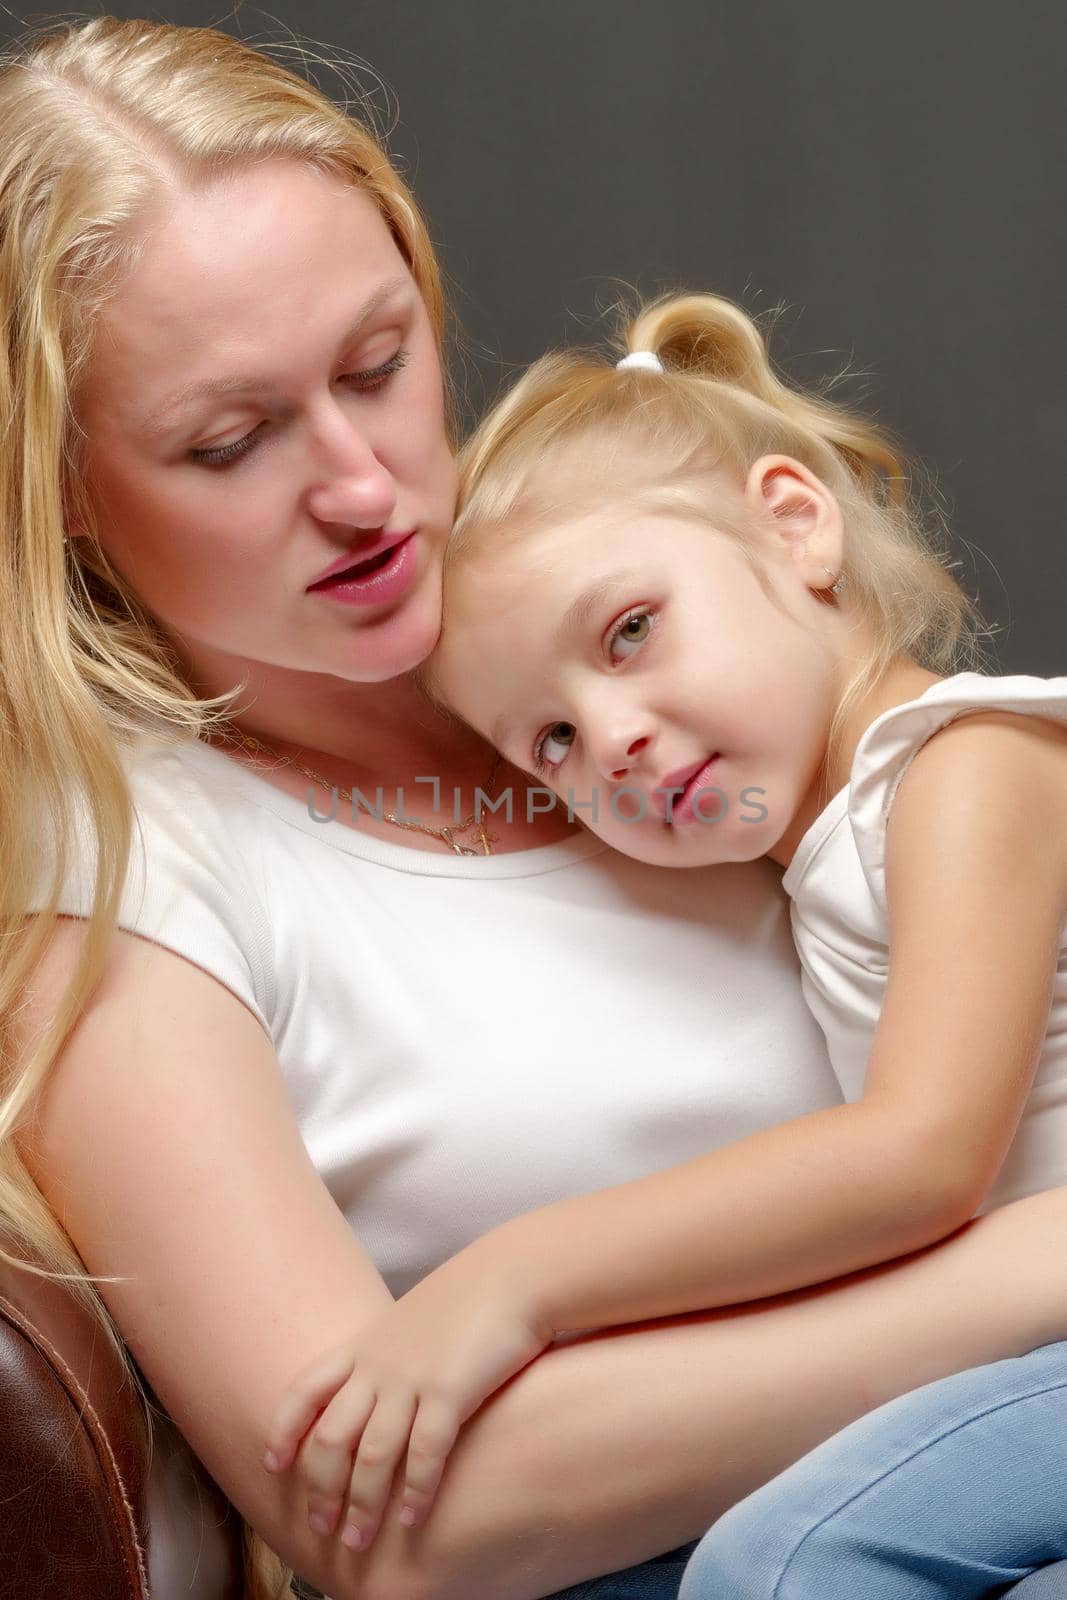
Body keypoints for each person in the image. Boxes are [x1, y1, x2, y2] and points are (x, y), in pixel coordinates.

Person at [3, 18, 1067, 1600]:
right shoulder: (128, 881)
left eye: (379, 363)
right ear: (64, 496)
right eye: (229, 441)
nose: (365, 486)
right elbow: (392, 1530)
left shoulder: (635, 629)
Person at [261, 291, 1067, 1596]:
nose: (614, 737)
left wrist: (515, 1281)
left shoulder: (971, 765)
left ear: (796, 525)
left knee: (786, 1560)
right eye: (553, 743)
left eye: (629, 632)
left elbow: (923, 1158)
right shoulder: (817, 848)